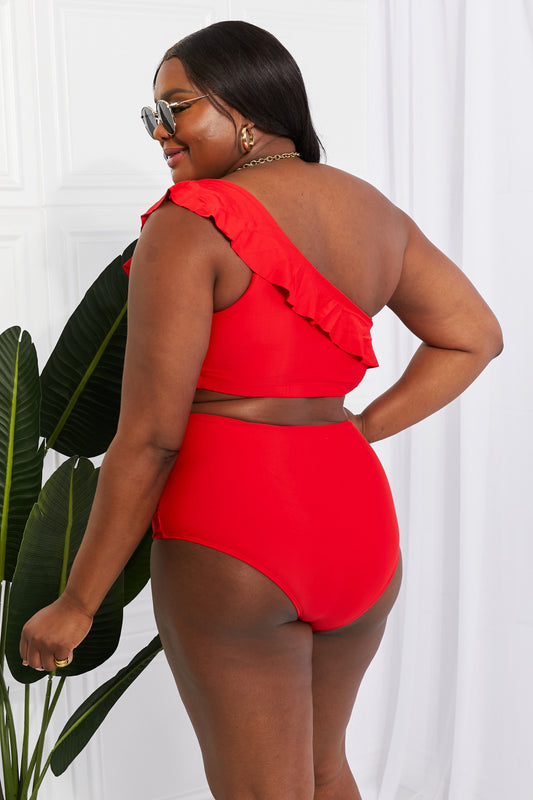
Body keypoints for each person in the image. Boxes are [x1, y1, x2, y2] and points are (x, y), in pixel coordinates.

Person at [20, 20, 502, 800]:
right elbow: (473, 335)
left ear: (242, 109)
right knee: (322, 770)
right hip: (357, 528)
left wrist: (78, 602)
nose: (160, 132)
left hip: (235, 530)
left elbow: (149, 438)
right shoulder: (372, 212)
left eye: (175, 107)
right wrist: (356, 429)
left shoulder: (190, 221)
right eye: (152, 115)